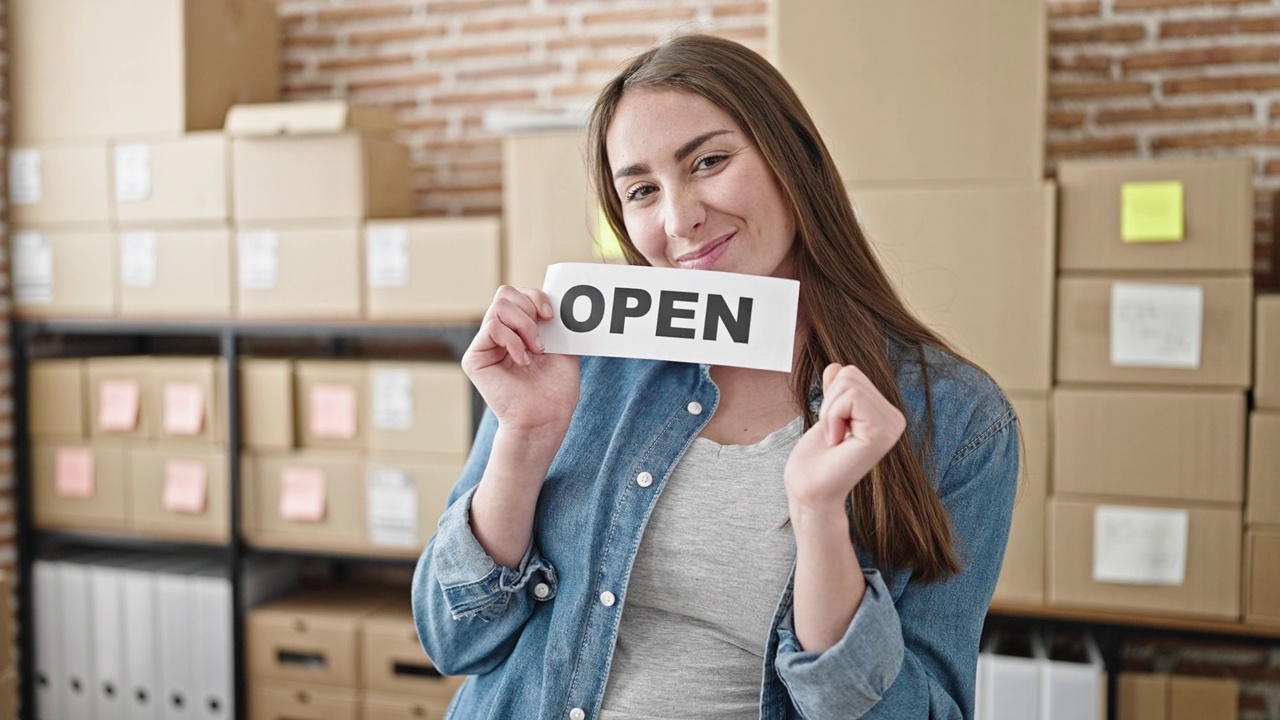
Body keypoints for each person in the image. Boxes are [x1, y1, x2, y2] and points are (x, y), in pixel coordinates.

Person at [412, 33, 1019, 720]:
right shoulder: (575, 360)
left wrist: (820, 522)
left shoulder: (957, 420)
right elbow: (450, 638)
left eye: (709, 161)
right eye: (641, 190)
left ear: (795, 160)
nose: (680, 219)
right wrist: (524, 439)